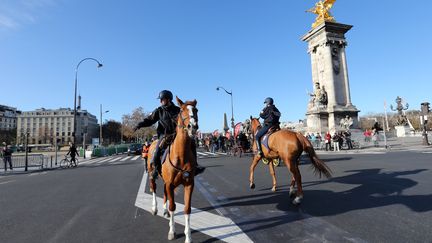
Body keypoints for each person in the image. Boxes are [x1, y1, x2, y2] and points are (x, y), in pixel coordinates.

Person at [135, 90, 204, 179]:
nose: (160, 101)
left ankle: (196, 166)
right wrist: (140, 124)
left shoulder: (177, 110)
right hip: (164, 135)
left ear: (168, 99)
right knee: (157, 151)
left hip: (176, 134)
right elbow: (150, 120)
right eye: (160, 99)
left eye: (162, 99)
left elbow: (184, 121)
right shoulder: (158, 110)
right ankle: (155, 170)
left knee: (192, 143)